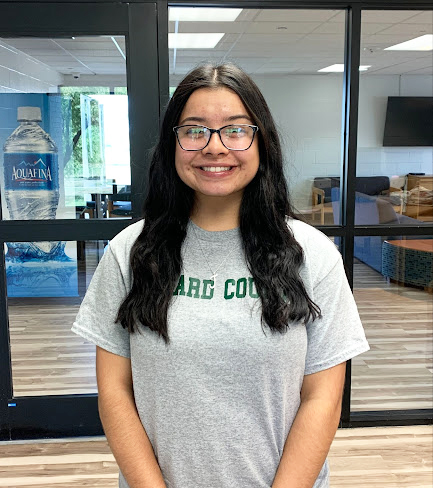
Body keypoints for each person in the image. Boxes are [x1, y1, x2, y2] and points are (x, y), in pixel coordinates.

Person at [72, 63, 370, 488]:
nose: (214, 147)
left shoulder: (312, 254)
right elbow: (115, 393)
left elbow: (322, 396)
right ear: (172, 143)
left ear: (261, 141)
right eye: (194, 130)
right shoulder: (129, 252)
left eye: (235, 130)